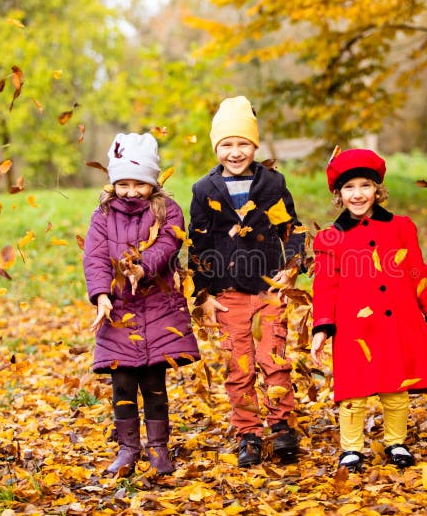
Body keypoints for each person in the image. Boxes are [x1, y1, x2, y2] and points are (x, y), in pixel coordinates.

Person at [310, 148, 427, 473]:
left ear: (378, 189)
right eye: (349, 187)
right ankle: (350, 448)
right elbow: (324, 286)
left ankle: (396, 441)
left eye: (365, 185)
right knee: (353, 392)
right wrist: (322, 327)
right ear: (339, 194)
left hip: (396, 321)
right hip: (353, 327)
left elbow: (418, 273)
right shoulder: (329, 239)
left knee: (395, 387)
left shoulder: (401, 228)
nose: (358, 194)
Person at [187, 96, 306, 467]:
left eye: (243, 143)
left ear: (255, 145)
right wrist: (203, 294)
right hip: (228, 293)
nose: (235, 151)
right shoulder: (204, 191)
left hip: (269, 289)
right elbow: (198, 243)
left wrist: (293, 265)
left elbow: (292, 227)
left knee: (275, 360)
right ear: (216, 147)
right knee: (239, 366)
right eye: (227, 144)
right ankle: (248, 433)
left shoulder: (272, 183)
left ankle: (281, 426)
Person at [83, 132, 200, 476]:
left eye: (140, 183)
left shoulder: (168, 210)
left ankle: (159, 448)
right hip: (118, 312)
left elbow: (166, 246)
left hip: (158, 306)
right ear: (113, 183)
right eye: (124, 184)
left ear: (152, 182)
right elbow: (95, 258)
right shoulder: (102, 215)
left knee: (153, 382)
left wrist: (141, 266)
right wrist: (102, 295)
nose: (131, 191)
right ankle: (127, 448)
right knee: (121, 383)